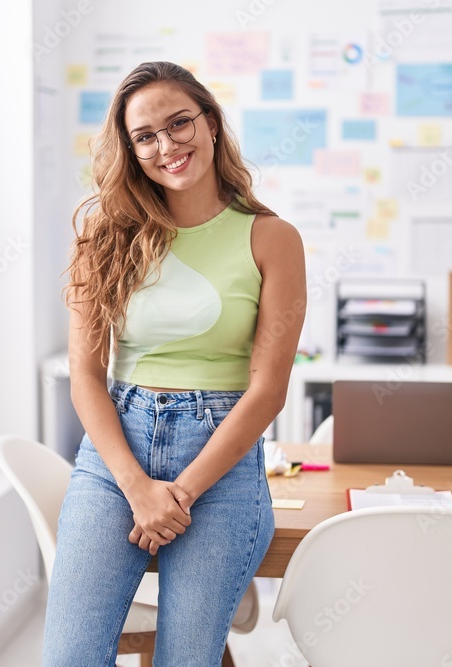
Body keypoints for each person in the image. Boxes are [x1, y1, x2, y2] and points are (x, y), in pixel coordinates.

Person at [44, 61, 306, 666]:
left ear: (210, 123)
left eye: (179, 123)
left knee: (185, 660)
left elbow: (267, 391)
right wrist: (138, 489)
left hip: (221, 462)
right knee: (69, 658)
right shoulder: (103, 237)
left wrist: (180, 494)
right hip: (117, 456)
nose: (167, 146)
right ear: (131, 150)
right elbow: (86, 376)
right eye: (145, 136)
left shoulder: (272, 239)